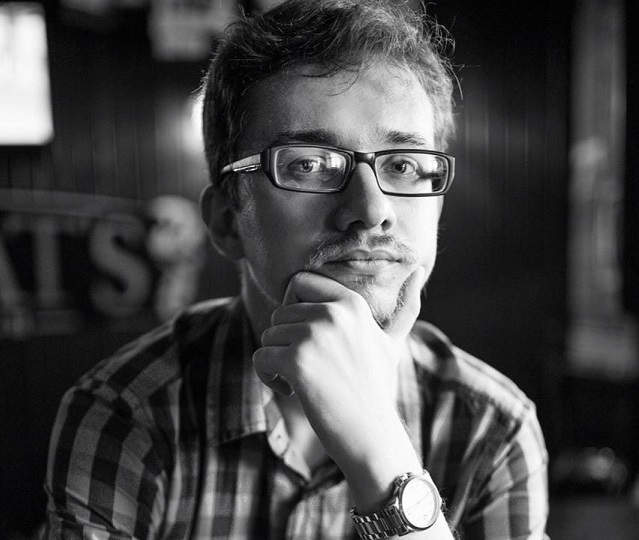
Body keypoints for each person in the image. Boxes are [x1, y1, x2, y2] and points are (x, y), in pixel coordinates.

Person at [45, 1, 549, 538]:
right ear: (226, 220)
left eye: (403, 165)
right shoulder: (125, 413)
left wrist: (381, 453)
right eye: (309, 164)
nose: (373, 209)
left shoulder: (493, 429)